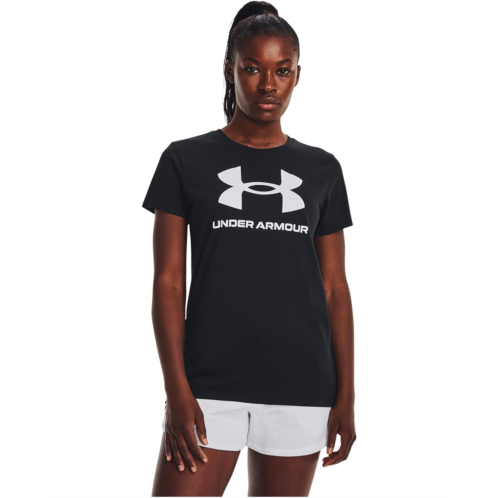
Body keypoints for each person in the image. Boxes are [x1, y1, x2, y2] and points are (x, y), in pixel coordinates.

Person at [143, 2, 356, 496]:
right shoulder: (185, 160)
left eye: (282, 70)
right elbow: (168, 283)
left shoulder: (322, 169)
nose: (268, 85)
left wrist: (346, 393)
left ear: (297, 75)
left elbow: (335, 289)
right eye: (252, 68)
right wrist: (176, 390)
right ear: (229, 70)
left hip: (301, 384)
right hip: (206, 384)